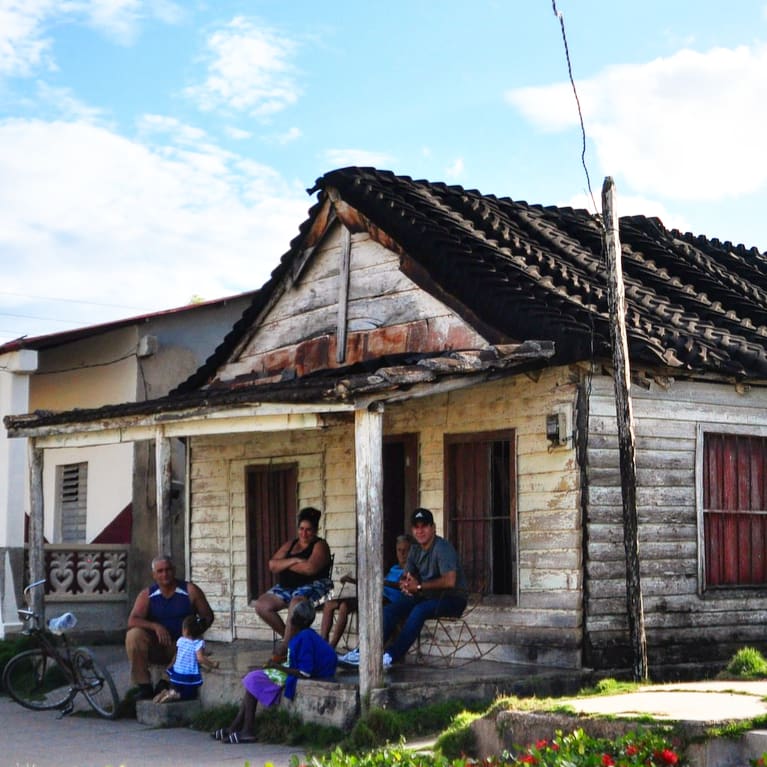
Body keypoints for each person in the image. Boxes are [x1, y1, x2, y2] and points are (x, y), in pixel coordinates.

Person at [212, 599, 337, 744]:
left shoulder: (305, 638)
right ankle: (236, 727)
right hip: (305, 670)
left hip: (311, 674)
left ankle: (246, 730)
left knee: (253, 679)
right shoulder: (304, 635)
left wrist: (277, 667)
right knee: (254, 678)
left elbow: (305, 673)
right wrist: (277, 662)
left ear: (294, 621)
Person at [382, 508, 467, 667]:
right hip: (428, 597)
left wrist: (419, 586)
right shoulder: (415, 550)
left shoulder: (442, 548)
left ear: (433, 528)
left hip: (453, 599)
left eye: (424, 526)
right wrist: (406, 582)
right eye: (416, 527)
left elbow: (450, 581)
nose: (420, 531)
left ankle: (391, 656)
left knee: (419, 610)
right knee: (391, 609)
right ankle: (364, 652)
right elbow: (406, 575)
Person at [125, 554, 214, 700]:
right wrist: (155, 626)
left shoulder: (190, 590)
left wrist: (192, 633)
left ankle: (166, 682)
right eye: (160, 571)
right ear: (154, 575)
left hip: (180, 646)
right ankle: (144, 686)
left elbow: (208, 617)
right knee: (133, 635)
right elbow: (132, 620)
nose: (164, 574)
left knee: (185, 645)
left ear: (174, 570)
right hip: (157, 646)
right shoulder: (147, 595)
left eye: (168, 570)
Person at [254, 507, 332, 661]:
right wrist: (295, 560)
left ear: (316, 530)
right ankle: (292, 641)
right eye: (301, 529)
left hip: (314, 586)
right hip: (287, 587)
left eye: (308, 530)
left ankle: (285, 647)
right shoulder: (291, 544)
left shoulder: (320, 545)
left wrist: (283, 564)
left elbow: (310, 569)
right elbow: (272, 565)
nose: (304, 533)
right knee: (261, 605)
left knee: (296, 602)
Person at [325, 534, 414, 651]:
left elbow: (402, 586)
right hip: (376, 597)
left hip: (389, 601)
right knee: (332, 604)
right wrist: (353, 580)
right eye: (399, 550)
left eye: (405, 550)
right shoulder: (394, 568)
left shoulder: (410, 570)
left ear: (411, 552)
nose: (402, 554)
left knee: (347, 605)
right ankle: (325, 645)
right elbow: (376, 583)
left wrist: (382, 582)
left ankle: (333, 648)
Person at [154, 614, 220, 703]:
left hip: (176, 673)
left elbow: (179, 655)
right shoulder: (198, 643)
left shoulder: (180, 641)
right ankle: (175, 695)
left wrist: (170, 666)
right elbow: (200, 658)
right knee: (191, 694)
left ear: (185, 630)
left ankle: (168, 692)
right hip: (188, 676)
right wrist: (212, 664)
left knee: (176, 687)